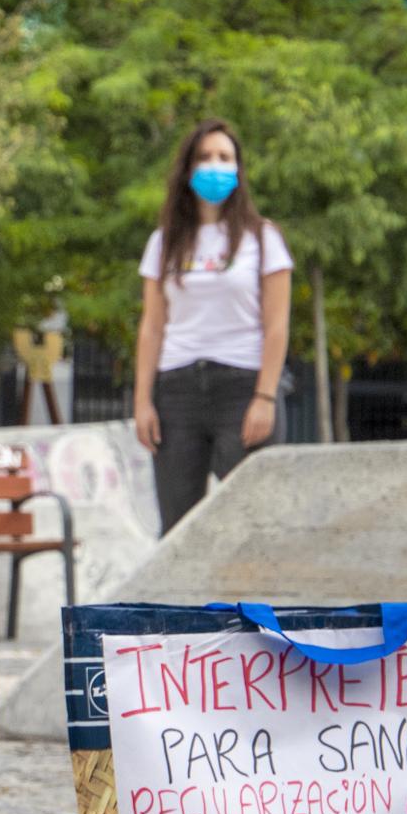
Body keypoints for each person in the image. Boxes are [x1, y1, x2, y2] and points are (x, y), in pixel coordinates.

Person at [132, 117, 294, 534]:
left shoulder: (263, 238)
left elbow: (277, 326)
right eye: (204, 157)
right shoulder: (164, 242)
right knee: (179, 529)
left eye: (225, 157)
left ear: (239, 170)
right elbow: (152, 326)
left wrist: (265, 397)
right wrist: (143, 400)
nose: (214, 166)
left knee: (252, 524)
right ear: (187, 171)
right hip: (176, 390)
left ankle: (251, 602)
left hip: (242, 388)